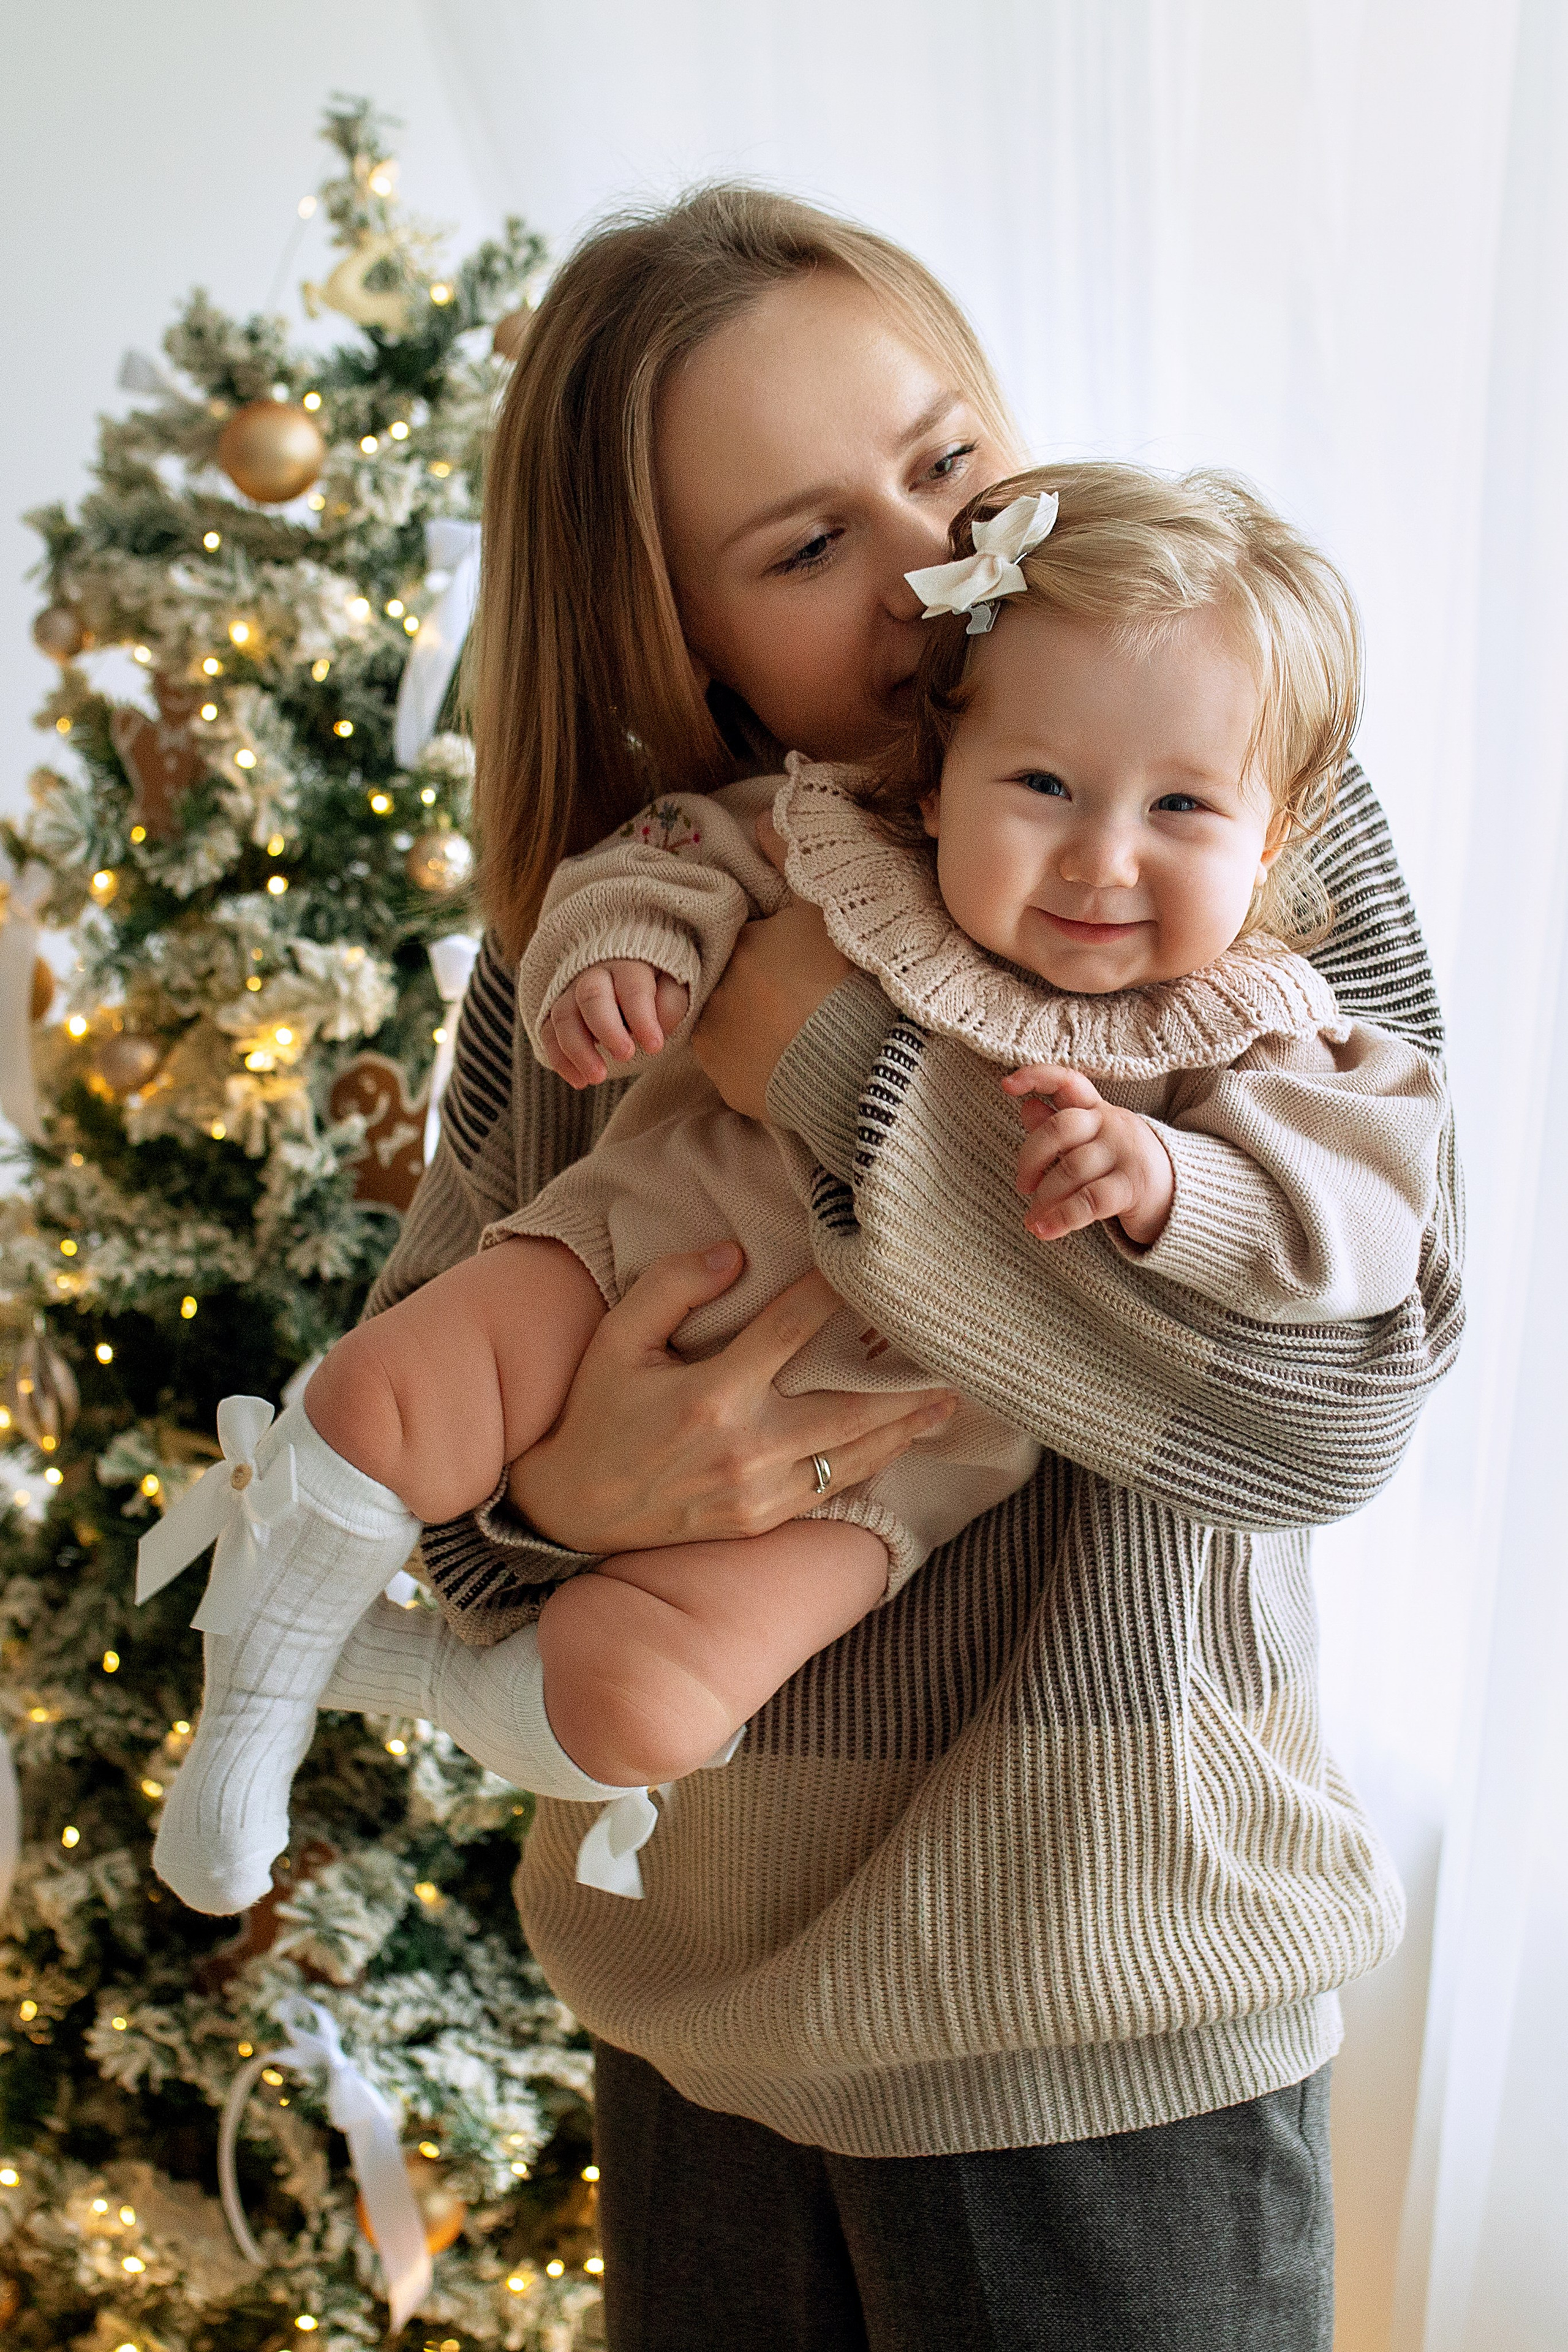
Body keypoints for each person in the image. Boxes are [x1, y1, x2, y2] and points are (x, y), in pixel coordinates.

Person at [185, 191, 1469, 2350]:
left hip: (1102, 2030)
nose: (929, 572)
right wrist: (567, 1498)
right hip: (699, 2047)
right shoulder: (612, 919)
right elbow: (437, 1484)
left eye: (948, 467)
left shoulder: (1227, 809)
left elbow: (1325, 1416)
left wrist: (835, 1069)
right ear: (674, 633)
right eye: (806, 549)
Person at [149, 461, 1447, 1928]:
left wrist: (1172, 1185)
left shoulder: (1259, 1025)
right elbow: (665, 858)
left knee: (641, 1706)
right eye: (1039, 786)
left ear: (1272, 836)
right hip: (633, 1259)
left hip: (885, 1455)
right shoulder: (843, 847)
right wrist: (618, 956)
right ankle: (254, 1700)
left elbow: (1359, 1223)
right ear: (941, 766)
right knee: (383, 1403)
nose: (1100, 856)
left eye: (1181, 810)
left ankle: (397, 1673)